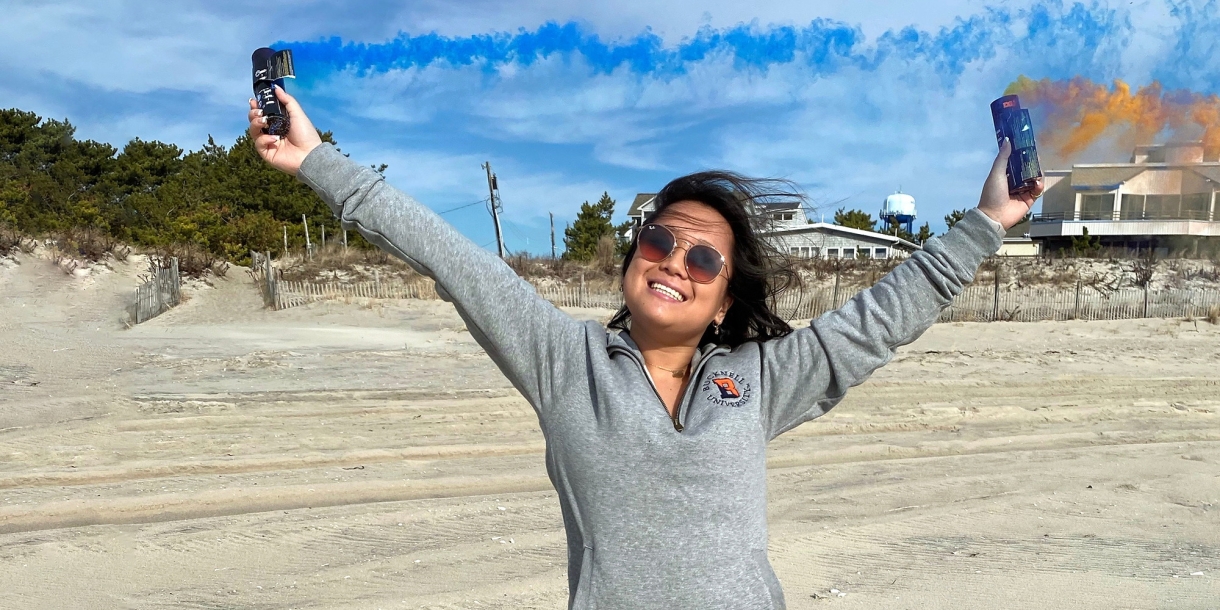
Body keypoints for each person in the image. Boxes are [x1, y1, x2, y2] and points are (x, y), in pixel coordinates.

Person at [247, 86, 1040, 610]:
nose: (673, 261)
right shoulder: (563, 361)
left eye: (702, 258)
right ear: (634, 255)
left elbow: (877, 322)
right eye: (659, 240)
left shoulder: (761, 378)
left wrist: (987, 223)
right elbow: (450, 256)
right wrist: (317, 161)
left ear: (726, 296)